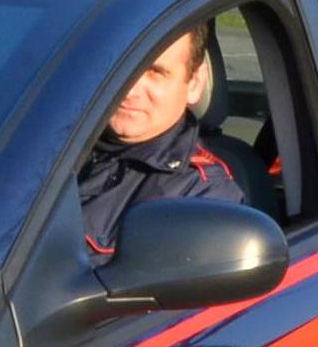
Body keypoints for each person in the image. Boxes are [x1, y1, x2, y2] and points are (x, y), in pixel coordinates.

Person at [78, 23, 244, 259]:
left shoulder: (204, 200)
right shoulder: (41, 144)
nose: (130, 90)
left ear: (195, 83)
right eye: (120, 68)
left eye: (155, 72)